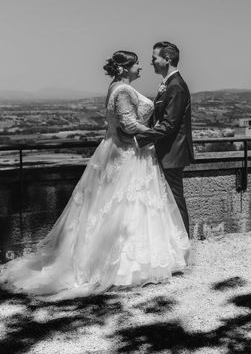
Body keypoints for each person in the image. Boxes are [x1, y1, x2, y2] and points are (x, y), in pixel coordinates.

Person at [0, 51, 190, 299]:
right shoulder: (122, 90)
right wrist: (150, 134)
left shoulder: (115, 86)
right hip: (127, 153)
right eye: (136, 64)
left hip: (119, 149)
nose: (141, 67)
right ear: (124, 69)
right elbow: (128, 125)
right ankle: (125, 267)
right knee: (126, 207)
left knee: (118, 207)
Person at [135, 41, 194, 237]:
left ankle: (184, 244)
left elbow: (169, 125)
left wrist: (139, 138)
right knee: (167, 200)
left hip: (173, 153)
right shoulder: (169, 84)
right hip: (165, 151)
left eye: (154, 58)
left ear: (167, 59)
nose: (151, 62)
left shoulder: (176, 86)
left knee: (175, 200)